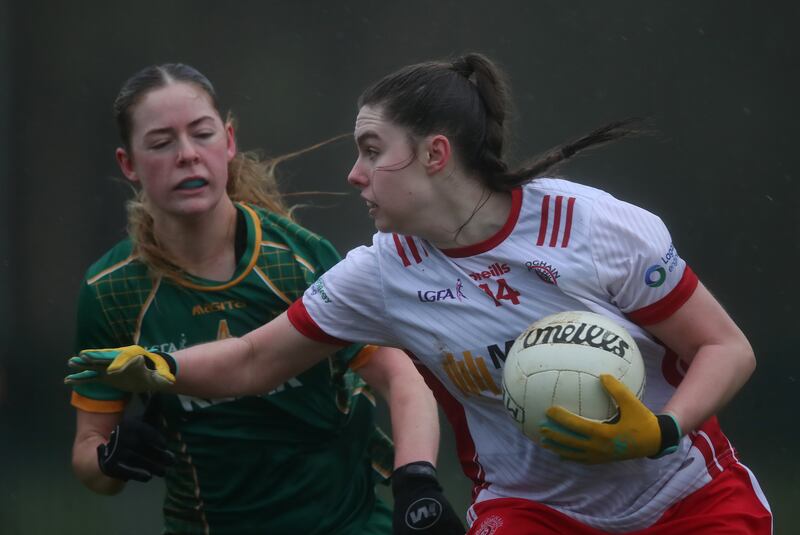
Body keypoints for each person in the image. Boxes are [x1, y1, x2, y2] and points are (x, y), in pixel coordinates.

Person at [68, 54, 773, 534]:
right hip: (532, 511)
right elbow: (254, 358)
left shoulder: (586, 224)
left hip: (687, 496)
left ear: (436, 154)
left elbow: (724, 347)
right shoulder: (382, 272)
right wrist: (163, 368)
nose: (353, 173)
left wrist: (662, 428)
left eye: (372, 150)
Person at [67, 63, 464, 535]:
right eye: (161, 142)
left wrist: (416, 482)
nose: (188, 155)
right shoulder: (110, 291)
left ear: (229, 142)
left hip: (347, 525)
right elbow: (89, 455)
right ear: (128, 164)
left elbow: (404, 381)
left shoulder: (296, 260)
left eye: (202, 134)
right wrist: (109, 458)